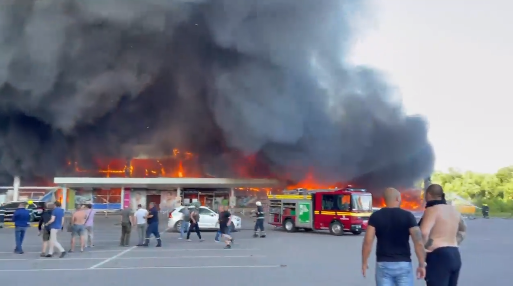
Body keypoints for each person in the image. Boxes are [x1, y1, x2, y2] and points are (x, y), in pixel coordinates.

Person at [362, 188, 426, 285]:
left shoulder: (376, 216)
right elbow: (418, 242)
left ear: (384, 200)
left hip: (383, 264)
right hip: (403, 264)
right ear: (397, 198)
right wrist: (422, 264)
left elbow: (368, 242)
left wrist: (364, 262)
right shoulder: (408, 216)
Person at [420, 184, 464, 286]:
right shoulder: (454, 210)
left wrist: (426, 248)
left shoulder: (432, 210)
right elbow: (463, 229)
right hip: (455, 253)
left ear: (429, 195)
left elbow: (424, 232)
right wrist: (455, 240)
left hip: (439, 255)